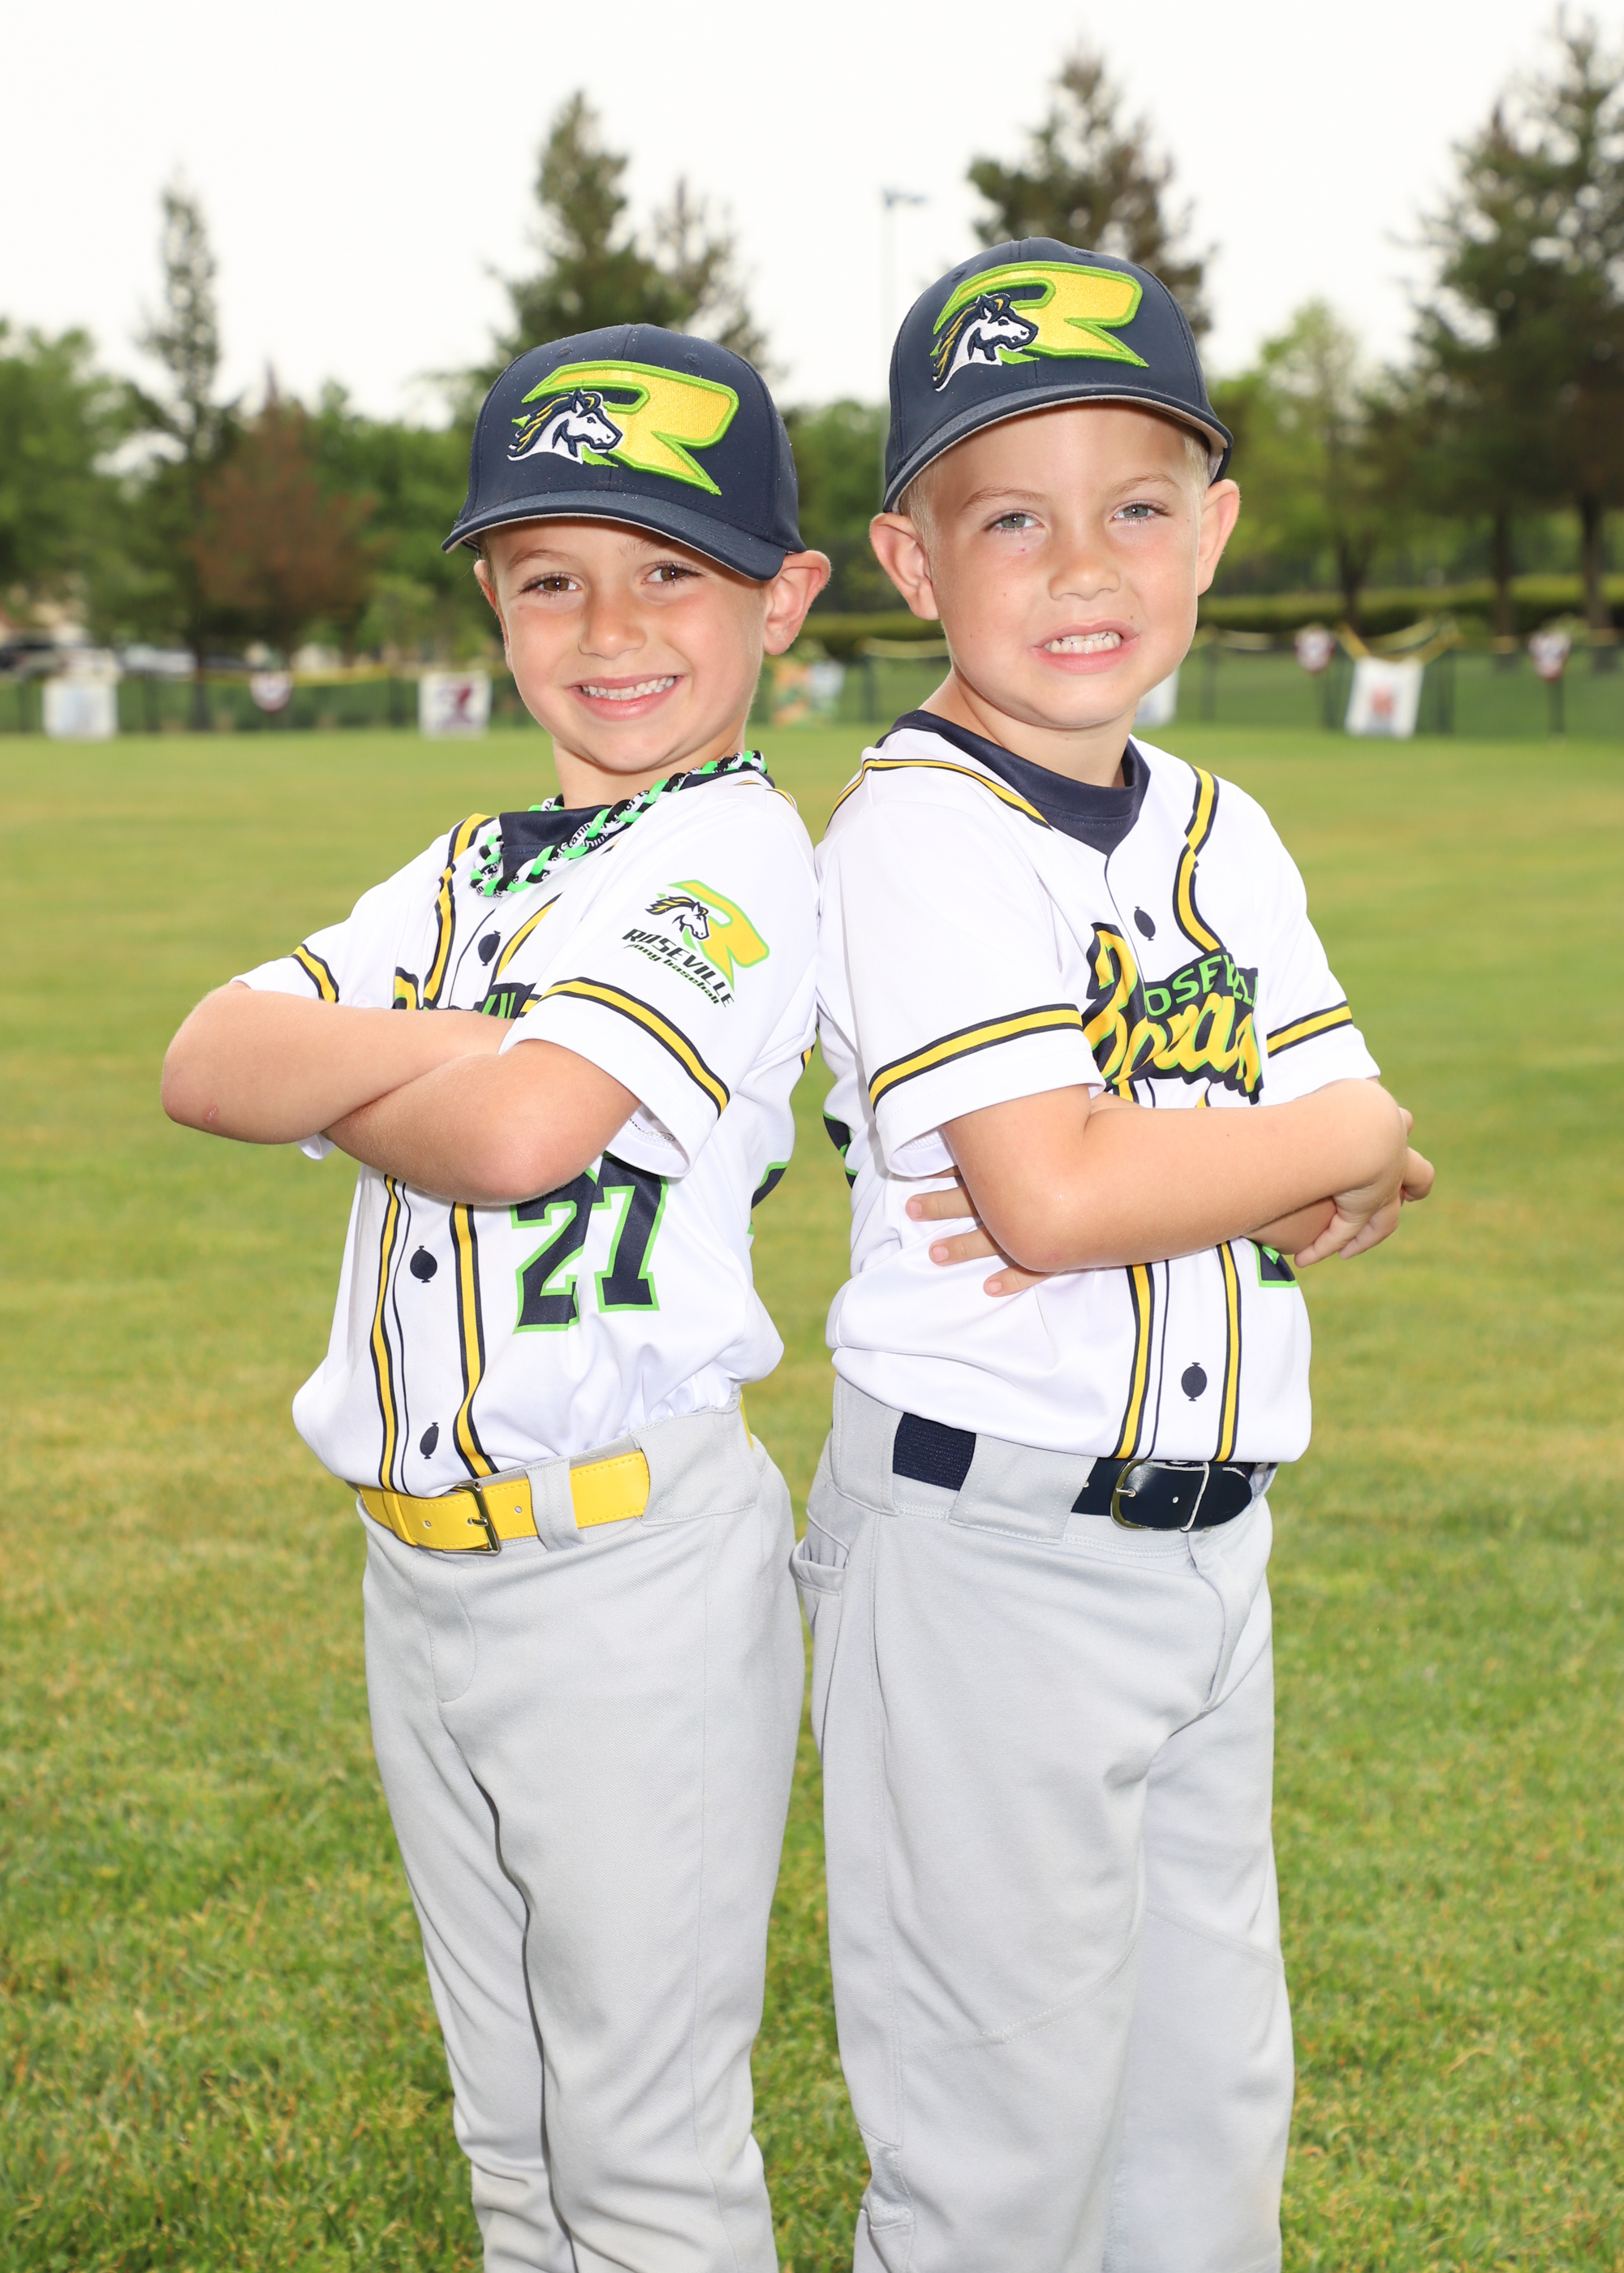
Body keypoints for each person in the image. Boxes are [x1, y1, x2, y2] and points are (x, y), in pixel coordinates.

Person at [163, 326, 829, 2273]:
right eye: (550, 576)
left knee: (639, 2144)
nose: (608, 626)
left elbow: (525, 1134)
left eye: (669, 570)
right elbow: (206, 1056)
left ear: (783, 596)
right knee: (514, 2125)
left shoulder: (739, 848)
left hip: (624, 1571)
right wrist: (471, 1044)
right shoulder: (460, 870)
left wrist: (402, 1066)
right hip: (422, 1568)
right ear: (492, 603)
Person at [799, 241, 1433, 2273]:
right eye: (1011, 518)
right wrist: (1256, 1151)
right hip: (985, 1550)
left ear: (1212, 530)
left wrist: (1212, 1156)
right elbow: (1066, 1199)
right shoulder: (915, 825)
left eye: (1136, 505)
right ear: (911, 560)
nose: (1082, 565)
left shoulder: (1220, 828)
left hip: (1208, 1547)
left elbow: (1362, 1163)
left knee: (1200, 2118)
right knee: (998, 2149)